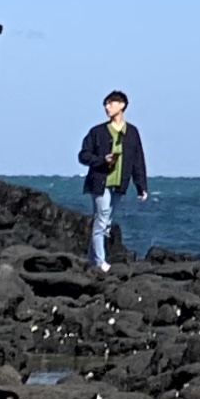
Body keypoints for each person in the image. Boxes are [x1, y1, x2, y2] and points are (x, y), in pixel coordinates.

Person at [77, 90, 149, 268]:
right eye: (106, 104)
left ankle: (92, 260)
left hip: (119, 184)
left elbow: (138, 160)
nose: (107, 107)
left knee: (106, 222)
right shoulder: (97, 132)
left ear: (122, 105)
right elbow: (83, 155)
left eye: (111, 103)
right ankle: (101, 262)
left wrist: (141, 186)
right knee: (102, 220)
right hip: (100, 182)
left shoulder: (132, 132)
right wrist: (102, 160)